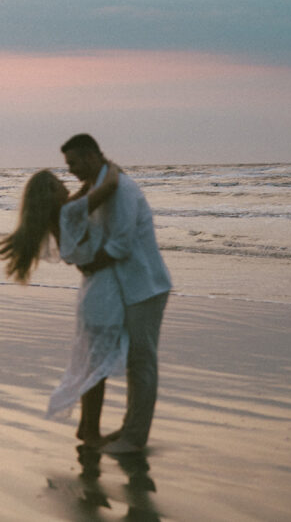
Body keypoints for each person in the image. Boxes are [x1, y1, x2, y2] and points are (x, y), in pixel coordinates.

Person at [0, 164, 125, 448]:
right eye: (60, 182)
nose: (67, 186)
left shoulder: (59, 216)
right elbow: (108, 187)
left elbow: (84, 195)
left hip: (93, 291)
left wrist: (90, 181)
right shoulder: (69, 214)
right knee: (96, 366)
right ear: (52, 192)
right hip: (100, 292)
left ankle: (88, 428)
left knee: (92, 364)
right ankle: (91, 432)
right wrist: (108, 169)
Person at [61, 133, 172, 455]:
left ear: (94, 155)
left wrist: (89, 266)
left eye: (75, 162)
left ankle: (134, 438)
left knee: (141, 362)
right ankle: (128, 429)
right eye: (68, 165)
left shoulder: (121, 189)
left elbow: (120, 245)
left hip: (145, 286)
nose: (71, 170)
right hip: (127, 286)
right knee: (134, 362)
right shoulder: (100, 187)